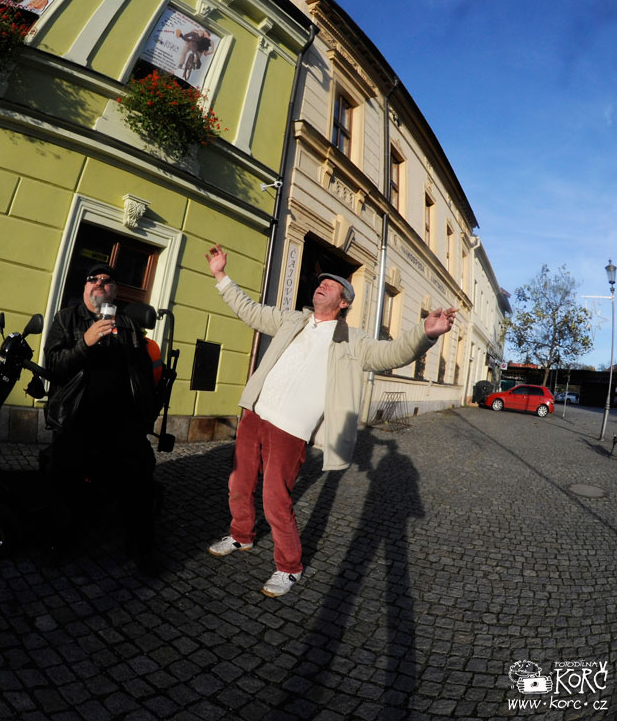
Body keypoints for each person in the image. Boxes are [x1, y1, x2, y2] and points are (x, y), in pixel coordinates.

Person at [204, 243, 457, 597]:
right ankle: (241, 535)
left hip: (290, 429)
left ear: (344, 302)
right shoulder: (293, 320)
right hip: (255, 413)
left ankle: (289, 567)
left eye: (331, 285)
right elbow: (250, 311)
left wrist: (425, 333)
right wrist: (221, 275)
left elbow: (392, 353)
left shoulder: (352, 340)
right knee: (239, 483)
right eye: (320, 282)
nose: (321, 285)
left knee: (275, 499)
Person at [43, 264, 161, 571]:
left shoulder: (127, 323)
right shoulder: (67, 318)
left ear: (115, 291)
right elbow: (54, 365)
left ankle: (142, 548)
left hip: (122, 422)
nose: (99, 283)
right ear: (84, 287)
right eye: (92, 279)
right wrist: (85, 342)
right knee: (63, 477)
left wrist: (142, 415)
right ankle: (57, 542)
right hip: (78, 417)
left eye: (107, 280)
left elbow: (142, 374)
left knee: (140, 479)